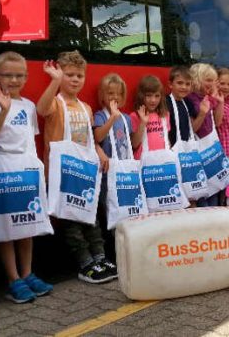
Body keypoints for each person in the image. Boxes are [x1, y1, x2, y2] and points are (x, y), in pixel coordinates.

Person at [36, 51, 117, 284]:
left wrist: (100, 151)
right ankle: (84, 262)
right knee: (71, 221)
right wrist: (54, 81)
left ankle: (100, 257)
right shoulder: (56, 103)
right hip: (62, 173)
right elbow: (42, 109)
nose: (74, 79)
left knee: (90, 217)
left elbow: (89, 138)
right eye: (69, 75)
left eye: (79, 76)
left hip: (83, 172)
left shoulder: (85, 108)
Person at [0, 51, 53, 303]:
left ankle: (27, 273)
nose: (14, 80)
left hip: (26, 170)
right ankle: (13, 278)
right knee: (7, 227)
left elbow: (30, 139)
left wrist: (37, 168)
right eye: (8, 75)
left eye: (19, 75)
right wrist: (4, 109)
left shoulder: (29, 105)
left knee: (27, 225)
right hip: (3, 171)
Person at [92, 73, 132, 258]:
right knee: (109, 211)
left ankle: (127, 249)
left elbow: (133, 143)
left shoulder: (126, 118)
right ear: (102, 95)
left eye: (118, 94)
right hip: (108, 176)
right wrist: (111, 119)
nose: (114, 98)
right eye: (110, 93)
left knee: (126, 210)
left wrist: (142, 125)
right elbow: (98, 137)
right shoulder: (100, 116)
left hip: (124, 173)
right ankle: (114, 252)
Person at [186, 63, 225, 206]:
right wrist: (202, 113)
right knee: (203, 191)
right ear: (197, 79)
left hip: (210, 149)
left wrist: (220, 102)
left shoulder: (206, 97)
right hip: (199, 150)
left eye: (213, 81)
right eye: (208, 80)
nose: (212, 84)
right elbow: (193, 129)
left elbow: (218, 122)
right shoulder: (190, 99)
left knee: (214, 187)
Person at [130, 75, 170, 158]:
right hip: (144, 161)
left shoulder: (164, 115)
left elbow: (166, 139)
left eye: (157, 96)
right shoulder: (135, 116)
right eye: (149, 95)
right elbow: (134, 144)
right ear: (141, 96)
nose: (153, 100)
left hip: (163, 159)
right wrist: (143, 122)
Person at [166, 66, 196, 149]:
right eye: (180, 83)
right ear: (170, 84)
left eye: (187, 84)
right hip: (171, 148)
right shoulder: (165, 103)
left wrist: (202, 114)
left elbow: (192, 128)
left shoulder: (188, 102)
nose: (184, 87)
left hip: (186, 148)